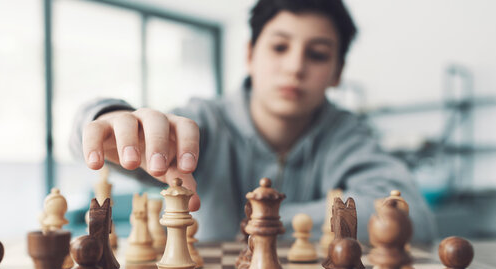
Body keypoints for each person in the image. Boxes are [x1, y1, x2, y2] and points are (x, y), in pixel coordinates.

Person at [70, 0, 437, 242]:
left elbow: (413, 218)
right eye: (279, 47)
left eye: (318, 54)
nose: (295, 67)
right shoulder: (202, 122)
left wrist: (264, 219)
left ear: (338, 71)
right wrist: (106, 117)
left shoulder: (348, 135)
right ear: (249, 54)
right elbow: (92, 135)